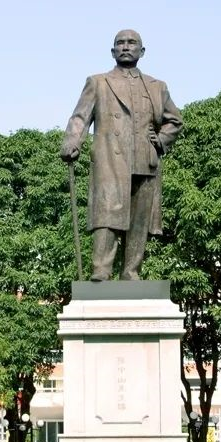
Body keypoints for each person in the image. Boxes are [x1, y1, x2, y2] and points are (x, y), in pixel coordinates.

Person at [61, 29, 183, 281]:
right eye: (120, 43)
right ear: (113, 51)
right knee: (107, 213)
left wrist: (161, 140)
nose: (126, 47)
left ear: (142, 51)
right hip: (110, 159)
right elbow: (80, 116)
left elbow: (175, 121)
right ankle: (101, 270)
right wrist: (72, 142)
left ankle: (131, 272)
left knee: (139, 220)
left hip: (145, 160)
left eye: (131, 43)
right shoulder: (98, 82)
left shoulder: (157, 87)